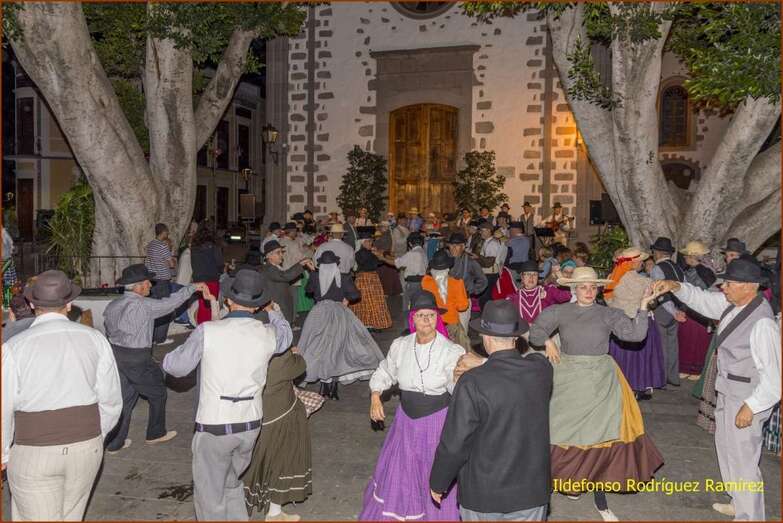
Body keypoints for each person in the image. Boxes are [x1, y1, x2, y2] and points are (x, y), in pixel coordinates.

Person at [529, 267, 662, 521]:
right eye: (583, 287)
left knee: (600, 438)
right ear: (574, 289)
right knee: (559, 433)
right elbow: (536, 330)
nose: (589, 291)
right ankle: (566, 484)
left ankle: (600, 500)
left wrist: (643, 305)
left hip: (600, 380)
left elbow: (636, 335)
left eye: (593, 287)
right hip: (568, 378)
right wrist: (547, 341)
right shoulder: (560, 311)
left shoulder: (607, 313)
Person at [653, 258, 780, 520]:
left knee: (744, 459)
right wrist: (676, 286)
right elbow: (703, 300)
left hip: (746, 397)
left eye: (729, 283)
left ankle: (750, 516)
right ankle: (738, 502)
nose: (723, 287)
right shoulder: (735, 304)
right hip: (729, 390)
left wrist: (751, 407)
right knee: (727, 449)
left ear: (749, 286)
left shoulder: (762, 323)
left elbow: (774, 378)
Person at [161, 269, 290, 520]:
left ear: (228, 300)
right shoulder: (268, 334)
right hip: (250, 423)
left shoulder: (209, 331)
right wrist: (274, 312)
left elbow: (176, 367)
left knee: (210, 494)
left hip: (215, 423)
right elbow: (286, 336)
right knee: (232, 483)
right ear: (258, 305)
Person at [2, 270, 123, 521]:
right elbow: (111, 400)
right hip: (86, 447)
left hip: (34, 449)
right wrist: (95, 436)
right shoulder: (95, 339)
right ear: (69, 304)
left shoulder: (14, 347)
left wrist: (3, 453)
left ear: (32, 304)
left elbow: (4, 405)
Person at [430, 300, 551, 521]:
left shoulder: (472, 382)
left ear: (485, 337)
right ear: (516, 337)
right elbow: (535, 358)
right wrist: (486, 362)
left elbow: (454, 444)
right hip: (530, 492)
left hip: (484, 495)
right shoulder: (540, 371)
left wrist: (439, 481)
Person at [359, 290, 464, 521]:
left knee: (432, 471)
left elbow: (454, 384)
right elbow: (385, 371)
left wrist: (459, 378)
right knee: (403, 471)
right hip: (405, 421)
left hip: (437, 422)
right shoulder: (401, 345)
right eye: (421, 315)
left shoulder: (451, 350)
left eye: (431, 315)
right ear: (412, 318)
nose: (427, 320)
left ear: (438, 318)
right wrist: (375, 395)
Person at [103, 264, 212, 453]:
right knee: (158, 392)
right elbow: (170, 303)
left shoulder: (113, 305)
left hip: (116, 355)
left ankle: (115, 442)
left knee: (126, 398)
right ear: (137, 286)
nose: (150, 286)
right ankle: (155, 433)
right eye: (147, 283)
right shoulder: (143, 305)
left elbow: (108, 328)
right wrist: (192, 288)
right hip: (137, 358)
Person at [299, 251, 384, 400]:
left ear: (321, 265)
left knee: (317, 346)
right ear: (336, 264)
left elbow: (308, 290)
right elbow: (355, 294)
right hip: (338, 313)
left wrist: (313, 273)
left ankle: (325, 384)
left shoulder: (316, 276)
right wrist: (346, 299)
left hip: (319, 313)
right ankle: (332, 385)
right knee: (337, 347)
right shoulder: (343, 277)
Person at [243, 347, 312, 521]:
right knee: (281, 461)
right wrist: (295, 354)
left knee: (258, 461)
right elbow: (298, 366)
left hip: (253, 410)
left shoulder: (247, 345)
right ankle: (273, 513)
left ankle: (269, 510)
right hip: (278, 413)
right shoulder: (276, 354)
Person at [605, 248, 666, 401]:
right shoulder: (643, 281)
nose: (642, 264)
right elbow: (654, 299)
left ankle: (619, 386)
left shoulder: (612, 277)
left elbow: (608, 299)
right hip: (638, 320)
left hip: (618, 321)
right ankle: (638, 386)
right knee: (640, 356)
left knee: (621, 356)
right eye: (641, 261)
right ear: (636, 262)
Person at [649, 237, 686, 387]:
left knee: (661, 345)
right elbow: (685, 289)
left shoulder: (657, 269)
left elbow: (660, 293)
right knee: (672, 344)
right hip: (677, 308)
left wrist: (672, 311)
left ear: (657, 253)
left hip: (663, 309)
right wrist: (679, 310)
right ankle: (673, 377)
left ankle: (661, 378)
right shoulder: (679, 268)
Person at [678, 241, 716, 380]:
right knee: (687, 338)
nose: (684, 258)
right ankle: (686, 368)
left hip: (701, 311)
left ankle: (697, 370)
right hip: (689, 310)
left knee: (699, 340)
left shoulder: (705, 271)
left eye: (686, 255)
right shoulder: (688, 270)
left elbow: (706, 290)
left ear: (692, 256)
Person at [421, 249, 471, 351]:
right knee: (456, 350)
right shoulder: (457, 283)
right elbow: (462, 307)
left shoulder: (426, 281)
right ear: (448, 268)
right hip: (451, 324)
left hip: (433, 322)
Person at [260, 240, 315, 324]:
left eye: (281, 252)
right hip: (277, 307)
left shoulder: (274, 267)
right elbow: (285, 276)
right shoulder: (269, 268)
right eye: (278, 253)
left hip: (279, 305)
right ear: (269, 256)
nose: (281, 255)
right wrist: (301, 264)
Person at [505, 261, 571, 324]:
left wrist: (562, 279)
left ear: (538, 277)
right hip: (522, 331)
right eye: (528, 274)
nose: (531, 277)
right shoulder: (513, 298)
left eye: (535, 274)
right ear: (522, 277)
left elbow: (568, 296)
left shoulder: (548, 290)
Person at [446, 232, 488, 332]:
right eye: (451, 245)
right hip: (447, 301)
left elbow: (483, 281)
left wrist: (470, 290)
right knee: (448, 331)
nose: (453, 248)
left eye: (457, 245)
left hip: (463, 301)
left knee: (462, 331)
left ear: (463, 246)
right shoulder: (445, 259)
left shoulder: (470, 262)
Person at [350, 238, 393, 331]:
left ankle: (374, 323)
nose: (371, 243)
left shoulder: (370, 252)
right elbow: (368, 262)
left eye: (371, 241)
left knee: (374, 301)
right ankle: (367, 324)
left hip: (373, 278)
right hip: (364, 278)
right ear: (363, 243)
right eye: (368, 241)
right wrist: (376, 254)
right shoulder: (359, 253)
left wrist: (378, 254)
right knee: (366, 302)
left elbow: (379, 262)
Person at [145, 223, 178, 344]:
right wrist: (171, 260)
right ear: (164, 232)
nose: (168, 234)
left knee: (154, 309)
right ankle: (160, 338)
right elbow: (171, 264)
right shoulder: (163, 246)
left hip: (152, 281)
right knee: (165, 309)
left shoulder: (150, 244)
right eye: (167, 232)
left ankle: (153, 337)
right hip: (162, 281)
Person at [279, 221, 314, 321]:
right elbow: (301, 258)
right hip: (292, 275)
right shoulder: (292, 244)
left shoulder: (280, 241)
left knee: (285, 300)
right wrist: (311, 250)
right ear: (292, 231)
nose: (296, 233)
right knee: (293, 300)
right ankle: (292, 322)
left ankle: (285, 319)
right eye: (295, 231)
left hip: (282, 274)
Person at [190, 224, 224, 324]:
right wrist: (221, 269)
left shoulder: (194, 246)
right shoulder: (214, 246)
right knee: (211, 305)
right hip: (211, 279)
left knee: (202, 305)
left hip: (198, 280)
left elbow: (193, 263)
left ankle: (200, 327)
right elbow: (219, 262)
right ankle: (210, 327)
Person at [390, 232, 428, 313]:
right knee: (418, 305)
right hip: (422, 282)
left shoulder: (412, 253)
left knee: (408, 307)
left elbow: (397, 263)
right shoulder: (423, 252)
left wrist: (382, 258)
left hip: (413, 283)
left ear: (410, 243)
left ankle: (408, 321)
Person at [474, 222, 502, 309]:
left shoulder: (492, 244)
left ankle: (486, 314)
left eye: (482, 231)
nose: (480, 233)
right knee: (485, 297)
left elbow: (489, 263)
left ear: (489, 231)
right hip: (487, 273)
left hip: (490, 274)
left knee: (486, 297)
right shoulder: (486, 242)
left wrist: (477, 257)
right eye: (480, 231)